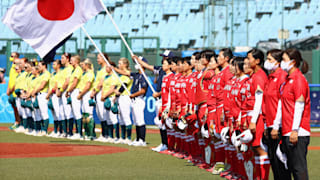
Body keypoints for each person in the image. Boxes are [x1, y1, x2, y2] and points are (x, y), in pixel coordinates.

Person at [135, 50, 175, 152]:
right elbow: (149, 67)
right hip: (160, 99)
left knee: (167, 123)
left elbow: (169, 89)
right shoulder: (161, 69)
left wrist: (158, 93)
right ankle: (164, 143)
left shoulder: (173, 74)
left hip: (165, 100)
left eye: (165, 58)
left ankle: (168, 144)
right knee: (161, 122)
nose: (163, 59)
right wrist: (138, 60)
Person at [280, 48, 310, 179]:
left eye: (284, 60)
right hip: (288, 129)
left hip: (297, 131)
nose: (281, 62)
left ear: (292, 62)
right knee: (291, 168)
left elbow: (299, 105)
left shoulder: (298, 79)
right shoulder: (288, 79)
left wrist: (294, 130)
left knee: (299, 169)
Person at [262, 49, 291, 179]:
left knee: (281, 161)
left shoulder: (282, 77)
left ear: (278, 62)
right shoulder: (270, 77)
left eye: (270, 59)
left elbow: (281, 103)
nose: (267, 62)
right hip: (269, 124)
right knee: (273, 160)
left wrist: (275, 125)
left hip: (278, 126)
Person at [114, 56, 149, 147]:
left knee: (140, 120)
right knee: (136, 120)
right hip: (134, 100)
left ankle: (142, 139)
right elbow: (125, 73)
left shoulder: (143, 76)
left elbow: (143, 90)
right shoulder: (136, 75)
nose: (136, 64)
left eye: (138, 63)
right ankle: (138, 139)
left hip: (139, 99)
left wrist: (133, 95)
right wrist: (113, 68)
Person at [246, 48, 270, 180]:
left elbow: (259, 100)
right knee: (254, 148)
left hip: (259, 116)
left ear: (257, 60)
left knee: (259, 148)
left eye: (249, 58)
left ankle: (263, 177)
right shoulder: (254, 75)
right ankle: (258, 177)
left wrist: (254, 120)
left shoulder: (259, 76)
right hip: (254, 115)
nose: (248, 61)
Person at [212, 48, 234, 175]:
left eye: (220, 56)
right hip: (219, 107)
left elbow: (228, 93)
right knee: (219, 136)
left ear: (226, 58)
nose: (217, 58)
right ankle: (224, 164)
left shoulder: (227, 73)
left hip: (223, 107)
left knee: (226, 137)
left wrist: (224, 111)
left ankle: (229, 166)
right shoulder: (222, 73)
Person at [101, 61, 120, 143]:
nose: (106, 68)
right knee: (108, 118)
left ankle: (117, 137)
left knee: (113, 118)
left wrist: (105, 96)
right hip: (105, 98)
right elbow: (103, 87)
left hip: (111, 97)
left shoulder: (114, 76)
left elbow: (112, 88)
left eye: (108, 66)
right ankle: (110, 136)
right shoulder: (105, 76)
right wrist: (102, 96)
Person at [115, 58, 133, 144]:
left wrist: (117, 92)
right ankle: (122, 137)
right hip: (119, 97)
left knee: (126, 117)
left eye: (120, 63)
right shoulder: (121, 76)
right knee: (120, 118)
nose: (119, 65)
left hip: (125, 97)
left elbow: (124, 86)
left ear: (125, 65)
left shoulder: (127, 74)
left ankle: (128, 138)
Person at [91, 53, 109, 142]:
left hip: (102, 93)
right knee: (100, 114)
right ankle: (103, 134)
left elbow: (101, 83)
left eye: (99, 58)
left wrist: (94, 91)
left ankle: (106, 134)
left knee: (103, 114)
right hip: (97, 93)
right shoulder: (100, 69)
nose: (97, 59)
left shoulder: (106, 69)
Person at [57, 53, 75, 137]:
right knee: (62, 112)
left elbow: (67, 81)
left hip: (65, 91)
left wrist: (60, 90)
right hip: (60, 91)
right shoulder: (64, 69)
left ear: (68, 59)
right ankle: (64, 131)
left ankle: (70, 132)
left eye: (63, 58)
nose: (61, 59)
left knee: (68, 112)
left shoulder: (69, 69)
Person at [31, 61, 51, 135]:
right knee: (39, 113)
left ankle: (44, 130)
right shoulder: (41, 75)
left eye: (39, 66)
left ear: (44, 66)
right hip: (38, 94)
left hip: (43, 94)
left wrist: (34, 91)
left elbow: (42, 85)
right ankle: (40, 130)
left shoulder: (46, 74)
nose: (38, 67)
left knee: (44, 112)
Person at [46, 60, 65, 138]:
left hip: (55, 94)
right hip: (51, 95)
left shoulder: (60, 73)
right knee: (54, 114)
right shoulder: (53, 74)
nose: (53, 65)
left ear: (59, 65)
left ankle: (61, 131)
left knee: (58, 113)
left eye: (54, 64)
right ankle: (56, 130)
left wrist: (49, 94)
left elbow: (55, 86)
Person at [66, 55, 83, 140]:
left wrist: (68, 91)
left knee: (77, 112)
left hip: (75, 91)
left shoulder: (78, 70)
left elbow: (75, 83)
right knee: (74, 112)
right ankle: (77, 132)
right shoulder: (74, 70)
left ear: (76, 61)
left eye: (72, 60)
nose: (70, 61)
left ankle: (79, 133)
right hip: (72, 91)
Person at [78, 59, 95, 140]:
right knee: (84, 115)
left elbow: (88, 86)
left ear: (87, 65)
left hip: (87, 94)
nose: (82, 66)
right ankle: (87, 133)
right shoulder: (84, 74)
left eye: (83, 64)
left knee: (89, 115)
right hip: (83, 95)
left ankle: (91, 134)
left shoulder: (90, 73)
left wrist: (81, 94)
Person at [7, 52, 21, 130]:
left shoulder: (18, 66)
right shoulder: (12, 66)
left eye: (13, 56)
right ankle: (16, 121)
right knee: (14, 107)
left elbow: (17, 79)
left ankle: (20, 123)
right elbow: (11, 79)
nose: (11, 57)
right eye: (11, 55)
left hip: (16, 90)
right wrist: (8, 89)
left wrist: (12, 89)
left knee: (18, 108)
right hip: (11, 90)